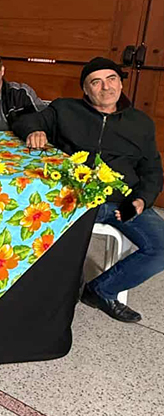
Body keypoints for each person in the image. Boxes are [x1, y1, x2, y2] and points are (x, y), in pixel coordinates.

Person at [13, 57, 164, 323]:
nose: (106, 87)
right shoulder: (65, 109)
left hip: (123, 201)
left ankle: (101, 291)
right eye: (96, 82)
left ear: (120, 84)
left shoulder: (140, 122)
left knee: (160, 247)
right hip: (76, 197)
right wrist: (35, 130)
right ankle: (59, 292)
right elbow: (24, 121)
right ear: (85, 89)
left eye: (112, 79)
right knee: (35, 229)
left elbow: (152, 170)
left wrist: (142, 200)